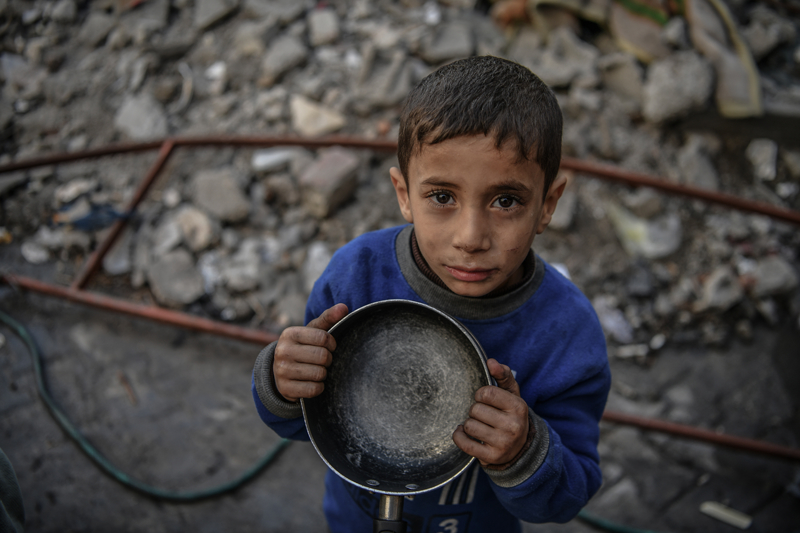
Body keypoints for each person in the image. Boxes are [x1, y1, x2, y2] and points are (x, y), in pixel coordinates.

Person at [252, 56, 611, 533]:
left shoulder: (566, 334)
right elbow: (304, 425)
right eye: (442, 196)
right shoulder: (357, 277)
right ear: (403, 194)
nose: (470, 236)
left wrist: (524, 450)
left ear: (547, 205)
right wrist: (281, 379)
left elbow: (567, 497)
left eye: (506, 201)